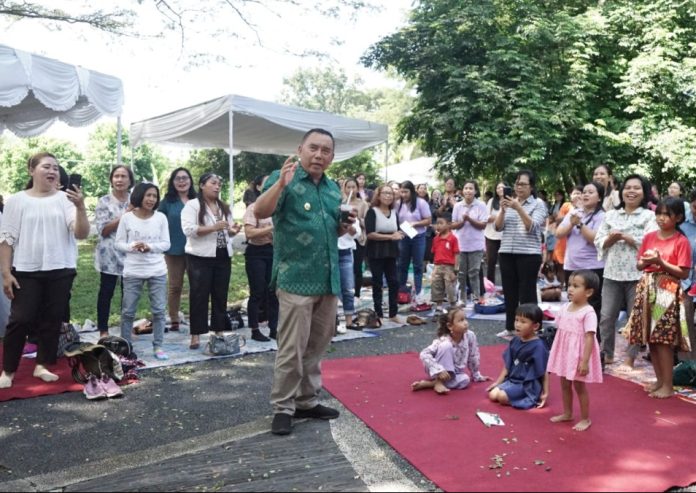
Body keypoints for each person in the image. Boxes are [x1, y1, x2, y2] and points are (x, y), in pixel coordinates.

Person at [254, 128, 355, 436]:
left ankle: (306, 400)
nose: (319, 155)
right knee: (291, 348)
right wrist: (280, 186)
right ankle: (283, 406)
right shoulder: (282, 177)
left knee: (317, 346)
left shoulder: (332, 189)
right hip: (296, 278)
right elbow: (260, 211)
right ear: (300, 149)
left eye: (326, 150)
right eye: (313, 148)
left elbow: (331, 232)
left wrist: (343, 225)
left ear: (332, 157)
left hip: (327, 280)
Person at [0, 152, 89, 389]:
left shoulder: (65, 199)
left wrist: (80, 207)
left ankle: (42, 365)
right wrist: (6, 273)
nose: (52, 172)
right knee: (20, 319)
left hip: (60, 269)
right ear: (31, 170)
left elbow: (81, 233)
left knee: (52, 319)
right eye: (46, 167)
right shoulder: (17, 201)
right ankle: (8, 370)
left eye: (56, 168)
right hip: (26, 270)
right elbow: (6, 240)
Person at [626, 198, 692, 399]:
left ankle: (668, 385)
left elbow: (683, 273)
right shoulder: (649, 237)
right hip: (647, 287)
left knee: (662, 338)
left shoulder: (681, 241)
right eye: (659, 214)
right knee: (651, 337)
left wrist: (659, 261)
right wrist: (646, 261)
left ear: (678, 217)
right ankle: (660, 380)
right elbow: (639, 265)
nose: (661, 218)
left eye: (667, 214)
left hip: (667, 288)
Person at [594, 174, 657, 368]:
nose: (631, 191)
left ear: (644, 192)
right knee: (606, 317)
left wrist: (629, 238)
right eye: (627, 187)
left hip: (638, 274)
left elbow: (652, 242)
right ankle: (606, 354)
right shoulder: (611, 214)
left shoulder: (650, 216)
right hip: (612, 272)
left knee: (635, 318)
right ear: (621, 192)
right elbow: (599, 240)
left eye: (636, 188)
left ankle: (630, 358)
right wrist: (610, 240)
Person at [181, 173, 241, 351]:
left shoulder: (223, 206)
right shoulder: (192, 205)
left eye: (219, 183)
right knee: (199, 295)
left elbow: (225, 232)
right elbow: (188, 230)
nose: (217, 186)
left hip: (222, 255)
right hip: (199, 256)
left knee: (220, 294)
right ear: (202, 185)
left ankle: (219, 331)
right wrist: (212, 227)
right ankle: (196, 334)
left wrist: (233, 231)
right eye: (213, 183)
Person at [115, 182, 171, 361]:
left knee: (159, 310)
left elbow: (166, 243)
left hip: (157, 270)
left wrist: (150, 247)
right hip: (133, 271)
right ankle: (125, 347)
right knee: (128, 311)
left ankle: (159, 345)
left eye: (154, 196)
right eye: (148, 195)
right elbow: (118, 243)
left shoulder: (161, 217)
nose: (151, 199)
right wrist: (133, 246)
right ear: (139, 196)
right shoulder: (127, 218)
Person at [547, 270, 603, 431]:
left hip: (578, 355)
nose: (570, 289)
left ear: (589, 292)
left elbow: (589, 337)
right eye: (569, 285)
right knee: (564, 383)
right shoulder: (565, 307)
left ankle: (585, 418)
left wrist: (584, 361)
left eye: (576, 286)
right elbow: (560, 330)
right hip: (565, 353)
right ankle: (567, 413)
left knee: (579, 386)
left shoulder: (588, 312)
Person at [495, 169, 548, 337]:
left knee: (527, 293)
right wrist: (503, 210)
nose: (519, 187)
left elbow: (532, 227)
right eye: (517, 184)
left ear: (531, 187)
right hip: (506, 253)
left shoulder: (538, 204)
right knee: (509, 292)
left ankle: (531, 329)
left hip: (528, 254)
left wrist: (518, 208)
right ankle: (511, 327)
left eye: (523, 184)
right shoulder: (509, 203)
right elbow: (498, 227)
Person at [555, 182, 606, 332]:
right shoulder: (574, 213)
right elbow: (559, 233)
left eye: (590, 192)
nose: (585, 195)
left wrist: (580, 224)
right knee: (574, 302)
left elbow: (595, 239)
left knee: (591, 307)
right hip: (571, 266)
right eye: (584, 192)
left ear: (599, 197)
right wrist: (572, 223)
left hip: (593, 268)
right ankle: (572, 337)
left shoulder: (603, 216)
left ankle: (591, 343)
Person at [94, 165, 135, 338]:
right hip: (109, 253)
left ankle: (128, 327)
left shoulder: (137, 200)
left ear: (130, 180)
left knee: (130, 293)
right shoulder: (104, 201)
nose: (119, 180)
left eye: (123, 176)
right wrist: (125, 215)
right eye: (116, 176)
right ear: (111, 180)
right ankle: (103, 330)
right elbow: (103, 230)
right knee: (106, 292)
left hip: (132, 252)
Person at [411, 307, 488, 394]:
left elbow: (473, 356)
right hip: (436, 370)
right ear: (450, 326)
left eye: (465, 319)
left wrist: (476, 374)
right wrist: (439, 370)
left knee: (465, 380)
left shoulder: (470, 335)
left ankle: (431, 384)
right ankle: (438, 381)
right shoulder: (444, 339)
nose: (466, 323)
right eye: (461, 320)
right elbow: (424, 354)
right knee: (446, 346)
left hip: (453, 374)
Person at [486, 303, 549, 409]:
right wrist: (498, 382)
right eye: (516, 320)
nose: (518, 324)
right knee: (492, 395)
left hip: (527, 384)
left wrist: (545, 393)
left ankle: (528, 398)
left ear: (535, 326)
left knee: (502, 397)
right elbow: (507, 364)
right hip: (512, 380)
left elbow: (544, 371)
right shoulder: (515, 340)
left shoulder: (538, 346)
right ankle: (511, 393)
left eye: (523, 322)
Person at [159, 167, 197, 332]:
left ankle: (197, 317)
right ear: (173, 182)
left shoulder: (198, 199)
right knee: (175, 286)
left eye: (185, 178)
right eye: (178, 179)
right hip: (174, 249)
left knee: (197, 285)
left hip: (196, 248)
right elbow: (158, 222)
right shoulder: (167, 202)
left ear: (190, 181)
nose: (182, 181)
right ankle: (174, 318)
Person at [243, 178, 278, 342]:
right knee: (257, 291)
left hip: (273, 251)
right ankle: (255, 329)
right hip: (256, 252)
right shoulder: (253, 208)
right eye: (267, 182)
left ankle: (274, 328)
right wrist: (271, 228)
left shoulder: (278, 206)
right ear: (258, 187)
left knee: (273, 292)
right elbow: (249, 234)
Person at [365, 185, 405, 325]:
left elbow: (397, 230)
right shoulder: (372, 212)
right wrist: (389, 237)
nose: (388, 196)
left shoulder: (394, 212)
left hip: (391, 252)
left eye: (390, 193)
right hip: (376, 251)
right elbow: (370, 234)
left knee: (394, 282)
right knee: (377, 283)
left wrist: (400, 234)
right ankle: (378, 313)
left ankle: (393, 313)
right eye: (385, 193)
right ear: (379, 195)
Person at [396, 180, 432, 310]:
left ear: (412, 192)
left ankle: (418, 293)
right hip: (404, 236)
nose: (403, 194)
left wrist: (415, 224)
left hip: (418, 236)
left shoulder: (421, 203)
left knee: (418, 265)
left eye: (406, 192)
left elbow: (428, 220)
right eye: (402, 191)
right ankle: (402, 292)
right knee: (402, 265)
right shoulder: (398, 203)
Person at [451, 180, 489, 305]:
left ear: (475, 191)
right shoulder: (457, 206)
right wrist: (462, 222)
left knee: (474, 273)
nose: (468, 190)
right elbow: (453, 224)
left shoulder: (481, 205)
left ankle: (476, 297)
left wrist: (469, 219)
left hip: (476, 244)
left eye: (471, 188)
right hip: (461, 244)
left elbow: (483, 225)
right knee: (461, 273)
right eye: (466, 188)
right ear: (462, 191)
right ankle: (461, 298)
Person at [337, 179, 362, 332]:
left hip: (346, 252)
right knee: (333, 289)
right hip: (330, 251)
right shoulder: (334, 207)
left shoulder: (351, 210)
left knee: (347, 288)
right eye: (348, 186)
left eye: (353, 187)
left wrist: (351, 228)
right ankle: (333, 321)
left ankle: (349, 320)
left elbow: (357, 234)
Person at [342, 178, 369, 299]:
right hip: (343, 239)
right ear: (344, 188)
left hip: (358, 239)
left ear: (358, 189)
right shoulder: (341, 203)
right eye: (348, 187)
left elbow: (368, 223)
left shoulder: (363, 204)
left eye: (354, 187)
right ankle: (343, 293)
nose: (351, 190)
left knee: (357, 267)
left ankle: (357, 293)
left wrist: (357, 217)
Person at [430, 214, 459, 313]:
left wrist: (456, 269)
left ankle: (453, 306)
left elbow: (456, 254)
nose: (438, 226)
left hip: (449, 267)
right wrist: (434, 268)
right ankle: (439, 307)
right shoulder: (435, 239)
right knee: (436, 285)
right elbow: (434, 253)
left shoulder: (453, 238)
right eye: (437, 223)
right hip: (438, 266)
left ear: (449, 225)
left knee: (450, 286)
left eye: (441, 223)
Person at [484, 182, 505, 285]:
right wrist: (500, 217)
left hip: (505, 237)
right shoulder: (492, 201)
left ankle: (506, 286)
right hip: (491, 236)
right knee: (490, 262)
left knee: (505, 263)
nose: (500, 189)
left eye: (502, 187)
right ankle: (490, 285)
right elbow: (486, 217)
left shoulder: (512, 202)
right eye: (498, 187)